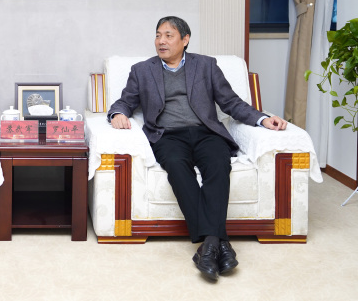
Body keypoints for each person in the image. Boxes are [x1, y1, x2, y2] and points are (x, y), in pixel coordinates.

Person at [108, 16, 287, 281]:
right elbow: (125, 101)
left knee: (218, 165)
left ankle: (207, 246)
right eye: (158, 35)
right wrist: (117, 114)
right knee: (177, 168)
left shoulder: (206, 65)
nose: (161, 41)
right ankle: (218, 243)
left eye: (168, 35)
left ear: (185, 40)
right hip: (167, 136)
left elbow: (231, 102)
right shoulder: (142, 70)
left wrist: (262, 119)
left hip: (206, 133)